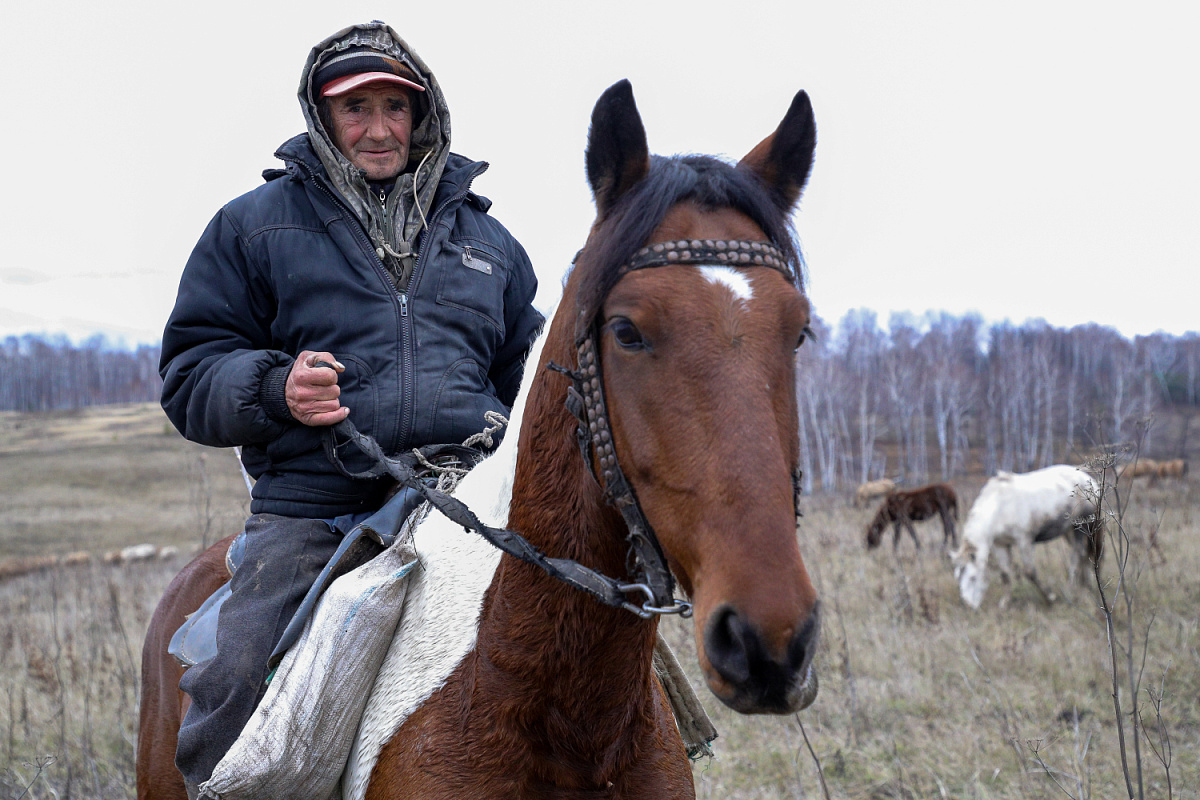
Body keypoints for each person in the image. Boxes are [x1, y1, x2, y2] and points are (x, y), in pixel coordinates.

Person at [159, 21, 543, 792]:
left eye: (396, 108)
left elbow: (529, 380)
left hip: (465, 500)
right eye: (355, 108)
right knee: (238, 675)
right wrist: (276, 388)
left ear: (422, 115)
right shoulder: (253, 227)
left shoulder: (491, 245)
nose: (378, 128)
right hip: (313, 509)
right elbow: (190, 374)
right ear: (323, 117)